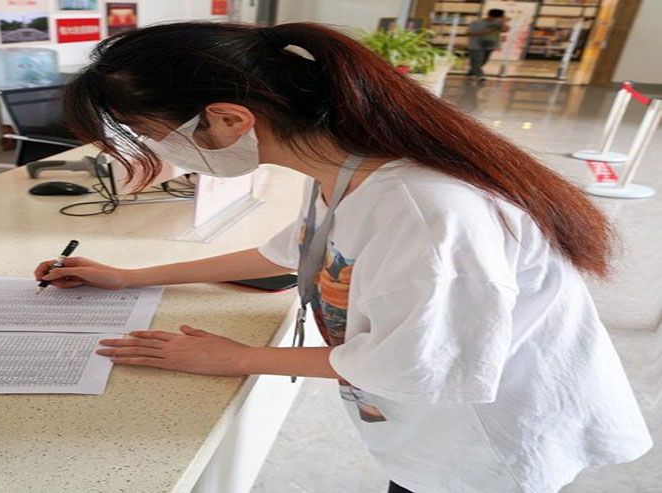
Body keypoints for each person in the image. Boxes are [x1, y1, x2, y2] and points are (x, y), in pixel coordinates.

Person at [35, 22, 652, 493]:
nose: (163, 155)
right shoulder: (344, 168)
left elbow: (421, 368)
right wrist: (130, 277)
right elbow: (286, 253)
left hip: (487, 441)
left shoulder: (425, 210)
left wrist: (235, 358)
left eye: (154, 137)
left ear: (227, 119)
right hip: (434, 428)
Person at [467, 8, 509, 81]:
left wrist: (503, 22)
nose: (496, 20)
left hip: (490, 45)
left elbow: (505, 30)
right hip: (476, 44)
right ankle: (480, 75)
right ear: (491, 16)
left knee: (483, 61)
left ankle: (472, 71)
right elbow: (469, 33)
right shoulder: (477, 22)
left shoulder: (498, 23)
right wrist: (486, 32)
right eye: (496, 18)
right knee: (477, 60)